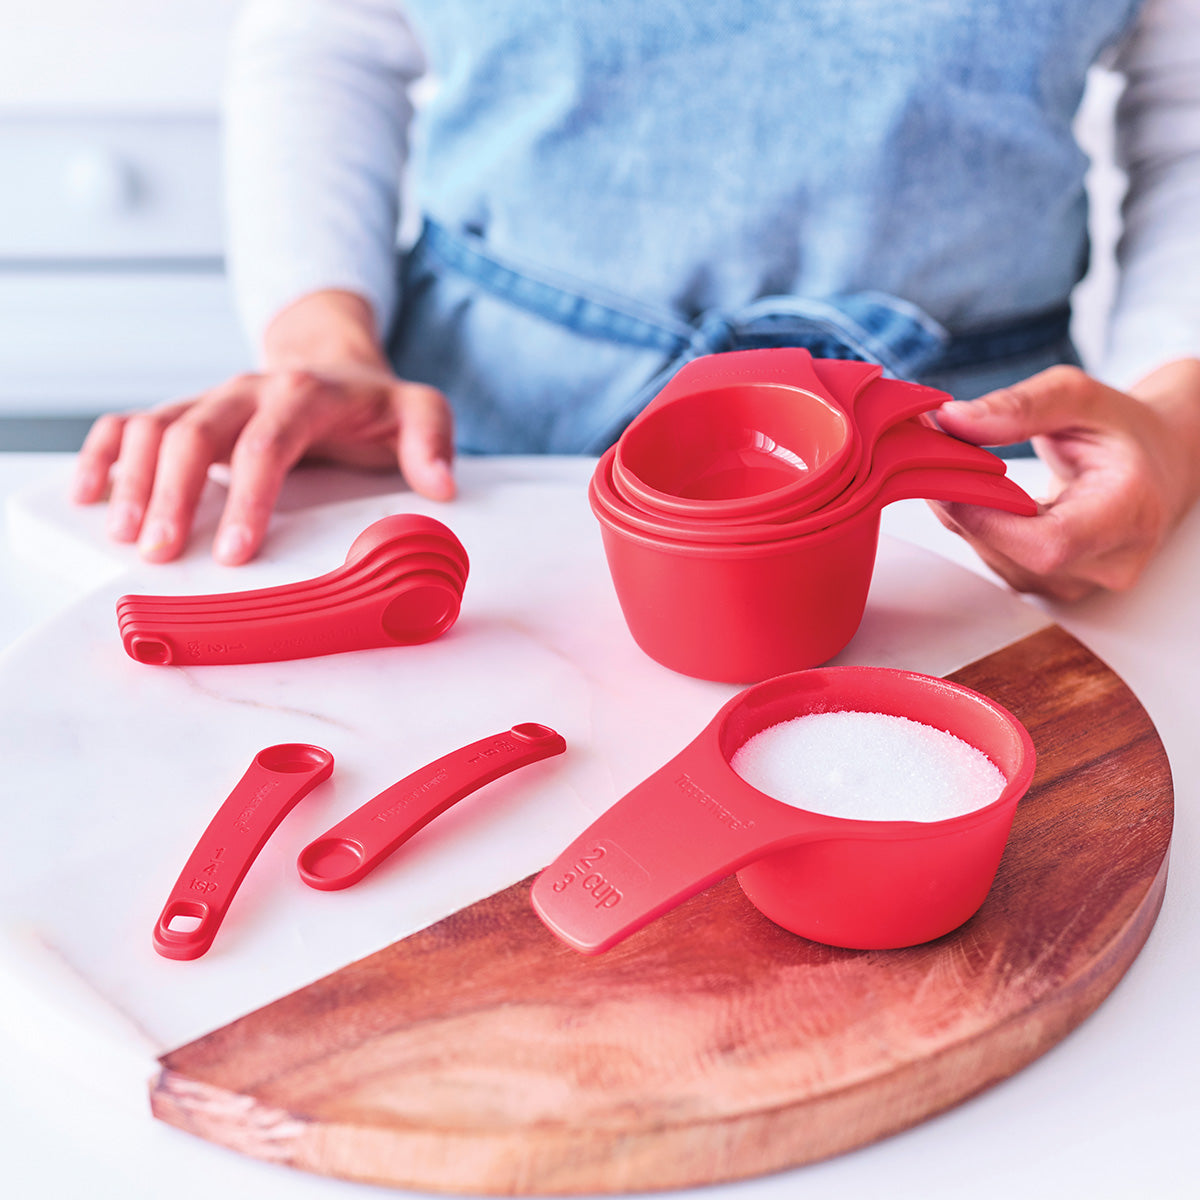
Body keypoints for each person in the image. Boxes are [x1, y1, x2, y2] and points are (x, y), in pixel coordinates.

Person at [71, 0, 1200, 602]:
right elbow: (329, 38)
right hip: (485, 442)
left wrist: (1173, 411)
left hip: (960, 485)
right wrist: (324, 339)